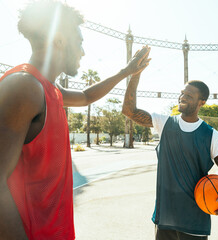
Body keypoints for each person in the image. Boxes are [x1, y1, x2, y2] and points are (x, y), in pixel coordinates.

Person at [0, 1, 150, 239]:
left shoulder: (48, 88)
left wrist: (126, 72)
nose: (82, 51)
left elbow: (86, 96)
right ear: (59, 40)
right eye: (80, 43)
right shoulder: (24, 86)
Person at [122, 50, 218, 240]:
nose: (182, 97)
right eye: (182, 93)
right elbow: (129, 110)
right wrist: (135, 75)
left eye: (189, 95)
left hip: (196, 220)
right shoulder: (165, 123)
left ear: (202, 102)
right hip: (165, 218)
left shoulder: (210, 135)